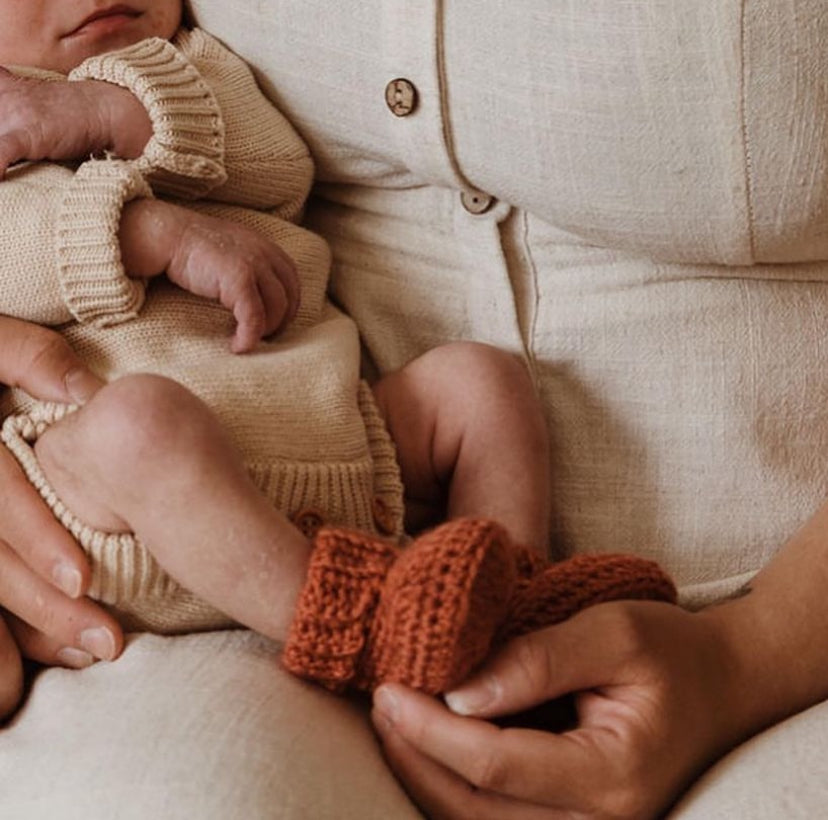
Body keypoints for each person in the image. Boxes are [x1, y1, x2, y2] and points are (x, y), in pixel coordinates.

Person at [3, 1, 828, 818]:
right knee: (143, 423)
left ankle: (500, 608)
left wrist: (107, 112)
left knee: (479, 384)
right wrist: (144, 230)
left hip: (343, 441)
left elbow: (275, 165)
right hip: (117, 497)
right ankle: (369, 635)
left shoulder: (187, 72)